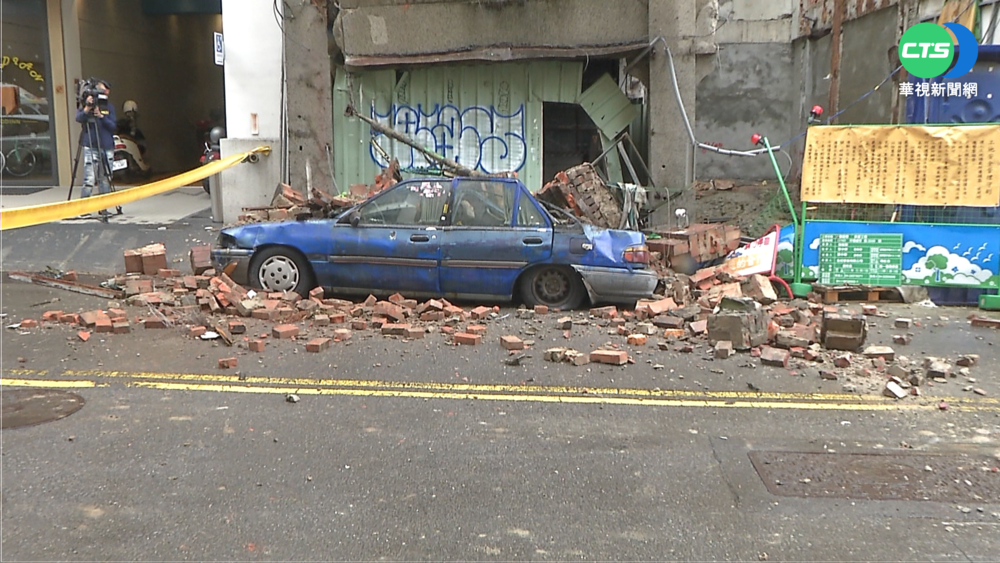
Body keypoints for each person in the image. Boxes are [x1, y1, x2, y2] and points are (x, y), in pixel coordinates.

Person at [75, 80, 116, 216]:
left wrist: (101, 117)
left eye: (103, 90)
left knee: (104, 178)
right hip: (91, 145)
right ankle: (84, 209)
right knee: (89, 179)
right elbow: (79, 118)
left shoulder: (109, 107)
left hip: (106, 146)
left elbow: (113, 127)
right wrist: (87, 108)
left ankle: (103, 208)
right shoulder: (87, 105)